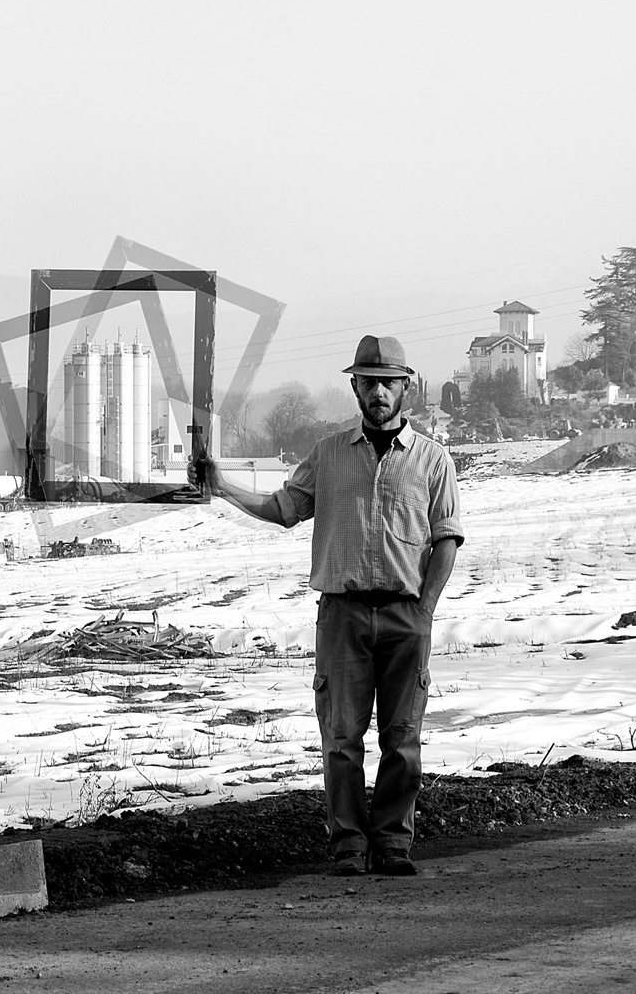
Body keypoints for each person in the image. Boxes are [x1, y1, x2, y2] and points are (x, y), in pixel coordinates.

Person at [191, 335, 463, 876]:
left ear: (406, 386)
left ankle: (392, 844)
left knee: (403, 737)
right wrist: (222, 486)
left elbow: (446, 540)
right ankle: (348, 845)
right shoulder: (330, 454)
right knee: (341, 737)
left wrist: (425, 613)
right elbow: (284, 507)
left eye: (389, 381)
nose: (379, 391)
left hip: (407, 614)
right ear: (355, 388)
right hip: (341, 614)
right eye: (369, 382)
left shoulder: (434, 460)